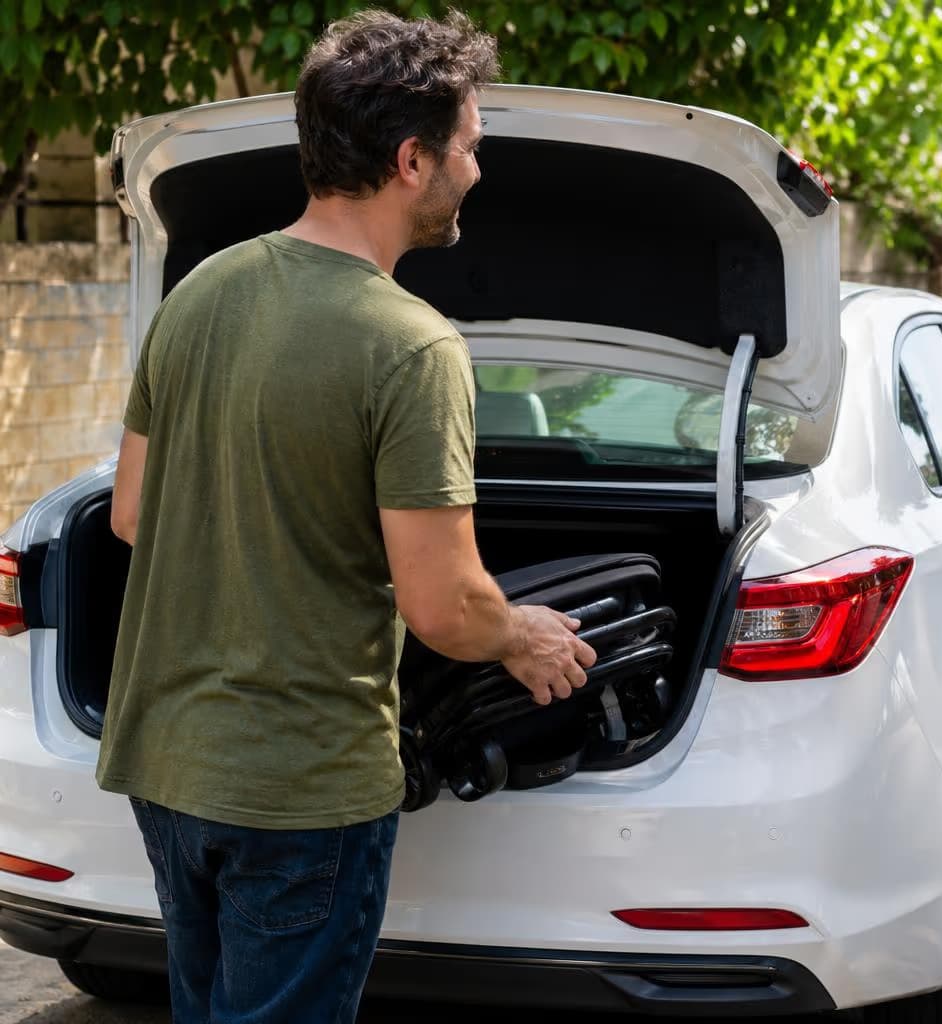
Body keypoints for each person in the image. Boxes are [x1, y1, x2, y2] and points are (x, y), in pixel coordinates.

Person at [97, 12, 595, 1022]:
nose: (478, 170)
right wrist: (525, 635)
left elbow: (134, 512)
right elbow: (443, 605)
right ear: (412, 160)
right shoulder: (412, 346)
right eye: (470, 146)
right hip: (299, 792)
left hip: (167, 765)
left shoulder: (199, 293)